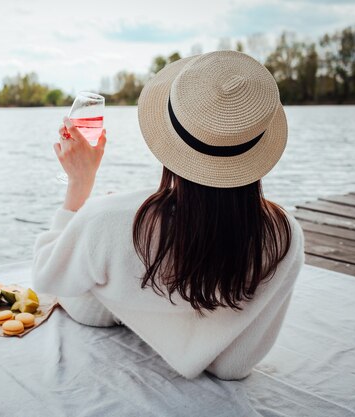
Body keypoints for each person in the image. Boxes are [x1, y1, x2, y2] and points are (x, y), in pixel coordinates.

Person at [32, 50, 304, 380]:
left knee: (97, 249)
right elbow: (234, 367)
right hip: (220, 354)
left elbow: (47, 276)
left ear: (167, 136)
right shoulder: (286, 235)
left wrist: (79, 186)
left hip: (104, 303)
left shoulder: (110, 219)